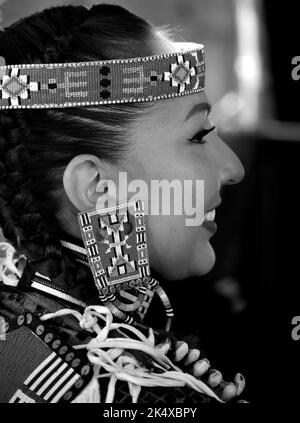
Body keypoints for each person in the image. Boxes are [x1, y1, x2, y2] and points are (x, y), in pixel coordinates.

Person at [0, 4, 245, 403]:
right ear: (98, 187)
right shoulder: (117, 391)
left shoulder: (19, 338)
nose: (233, 168)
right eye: (199, 135)